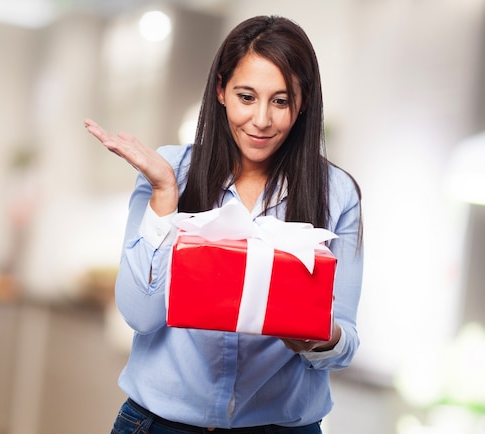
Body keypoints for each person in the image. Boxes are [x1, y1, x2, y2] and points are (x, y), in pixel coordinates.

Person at [85, 15, 363, 434]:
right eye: (246, 97)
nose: (262, 120)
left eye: (281, 101)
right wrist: (165, 194)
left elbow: (345, 344)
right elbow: (140, 315)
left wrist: (318, 338)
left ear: (303, 102)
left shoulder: (337, 193)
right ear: (220, 90)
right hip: (160, 424)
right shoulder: (170, 170)